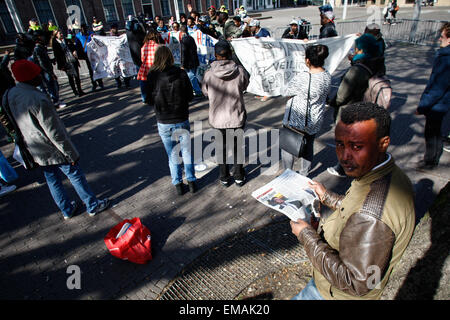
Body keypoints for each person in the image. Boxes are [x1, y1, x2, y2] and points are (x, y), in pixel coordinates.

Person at [290, 102, 415, 300]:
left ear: (383, 143)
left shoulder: (371, 215)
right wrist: (326, 196)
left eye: (357, 146)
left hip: (333, 295)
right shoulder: (386, 174)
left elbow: (356, 283)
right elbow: (355, 211)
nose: (344, 156)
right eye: (340, 144)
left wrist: (306, 235)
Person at [4, 60, 110, 219]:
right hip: (52, 147)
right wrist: (70, 153)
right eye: (37, 74)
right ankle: (92, 205)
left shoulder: (11, 94)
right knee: (74, 174)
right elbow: (54, 131)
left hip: (34, 146)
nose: (40, 76)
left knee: (52, 179)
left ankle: (66, 209)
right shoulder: (38, 98)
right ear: (30, 77)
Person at [327, 33, 384, 177]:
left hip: (349, 111)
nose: (353, 51)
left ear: (362, 50)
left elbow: (342, 95)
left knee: (345, 142)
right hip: (363, 109)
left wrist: (331, 102)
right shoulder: (376, 63)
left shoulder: (357, 70)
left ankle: (344, 168)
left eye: (356, 49)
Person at [144, 46, 197, 195]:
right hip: (181, 117)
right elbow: (190, 95)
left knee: (172, 154)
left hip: (164, 120)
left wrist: (157, 101)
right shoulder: (181, 73)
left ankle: (178, 183)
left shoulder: (153, 75)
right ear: (170, 57)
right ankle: (191, 180)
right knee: (186, 151)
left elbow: (147, 98)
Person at [201, 40, 250, 187]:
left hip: (217, 118)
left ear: (215, 55)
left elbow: (205, 92)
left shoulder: (208, 74)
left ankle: (224, 176)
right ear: (230, 53)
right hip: (236, 116)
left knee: (221, 148)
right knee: (237, 148)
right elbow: (245, 85)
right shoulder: (240, 71)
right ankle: (239, 176)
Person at [281, 45, 331, 176]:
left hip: (297, 120)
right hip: (315, 119)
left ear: (308, 60)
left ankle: (288, 173)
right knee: (308, 146)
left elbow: (286, 92)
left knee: (288, 148)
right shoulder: (326, 75)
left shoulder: (304, 78)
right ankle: (304, 173)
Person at [415, 22, 450, 170]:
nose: (439, 40)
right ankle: (432, 159)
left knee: (432, 133)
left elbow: (437, 86)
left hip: (438, 105)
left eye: (442, 37)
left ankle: (430, 161)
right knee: (436, 133)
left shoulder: (445, 58)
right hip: (444, 102)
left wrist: (422, 107)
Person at [32, 30, 66, 108]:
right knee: (52, 86)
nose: (44, 38)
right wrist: (50, 72)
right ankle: (55, 102)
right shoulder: (37, 48)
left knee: (54, 85)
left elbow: (44, 60)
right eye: (42, 36)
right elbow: (41, 62)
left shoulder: (41, 47)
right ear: (39, 37)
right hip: (45, 71)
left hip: (47, 70)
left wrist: (51, 60)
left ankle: (56, 100)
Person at [52, 30, 85, 97]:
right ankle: (75, 92)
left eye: (61, 33)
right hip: (65, 62)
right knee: (70, 77)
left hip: (72, 60)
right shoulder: (55, 43)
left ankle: (80, 90)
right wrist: (61, 65)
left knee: (77, 76)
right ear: (56, 35)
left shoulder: (66, 40)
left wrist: (74, 51)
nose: (61, 34)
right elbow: (57, 55)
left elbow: (73, 46)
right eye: (59, 33)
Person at [75, 24, 104, 91]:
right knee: (90, 70)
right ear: (80, 29)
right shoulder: (78, 36)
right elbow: (77, 46)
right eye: (83, 28)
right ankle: (94, 84)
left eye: (85, 28)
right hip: (86, 54)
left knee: (97, 67)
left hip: (94, 53)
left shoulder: (91, 34)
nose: (84, 30)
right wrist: (80, 55)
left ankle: (100, 83)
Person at [137, 29, 159, 103]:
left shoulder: (144, 46)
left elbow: (142, 58)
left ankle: (144, 98)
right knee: (155, 84)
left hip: (145, 66)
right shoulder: (157, 46)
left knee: (144, 83)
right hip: (154, 67)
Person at [179, 25, 202, 97]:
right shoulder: (191, 38)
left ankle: (197, 90)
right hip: (194, 59)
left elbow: (183, 52)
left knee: (191, 76)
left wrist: (182, 64)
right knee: (193, 75)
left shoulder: (184, 40)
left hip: (189, 62)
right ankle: (196, 90)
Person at [110, 23, 131, 89]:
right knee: (115, 70)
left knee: (124, 70)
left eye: (116, 29)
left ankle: (127, 83)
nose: (115, 30)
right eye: (113, 29)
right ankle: (118, 83)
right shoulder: (108, 39)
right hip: (113, 57)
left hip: (122, 57)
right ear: (111, 30)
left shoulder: (120, 37)